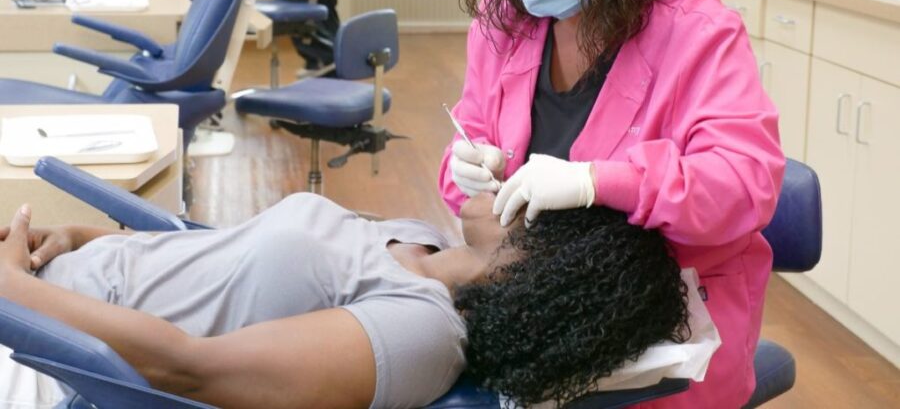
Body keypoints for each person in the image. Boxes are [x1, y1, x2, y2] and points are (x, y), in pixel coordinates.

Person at [438, 0, 785, 407]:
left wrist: (600, 181)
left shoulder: (697, 33)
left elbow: (745, 184)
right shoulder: (504, 23)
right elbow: (468, 175)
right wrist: (466, 166)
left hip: (668, 310)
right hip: (538, 288)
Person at [0, 192, 690, 409]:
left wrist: (17, 295)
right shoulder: (416, 241)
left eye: (548, 211)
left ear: (541, 273)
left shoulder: (421, 333)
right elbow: (223, 257)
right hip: (51, 284)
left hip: (37, 354)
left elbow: (191, 368)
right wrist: (81, 236)